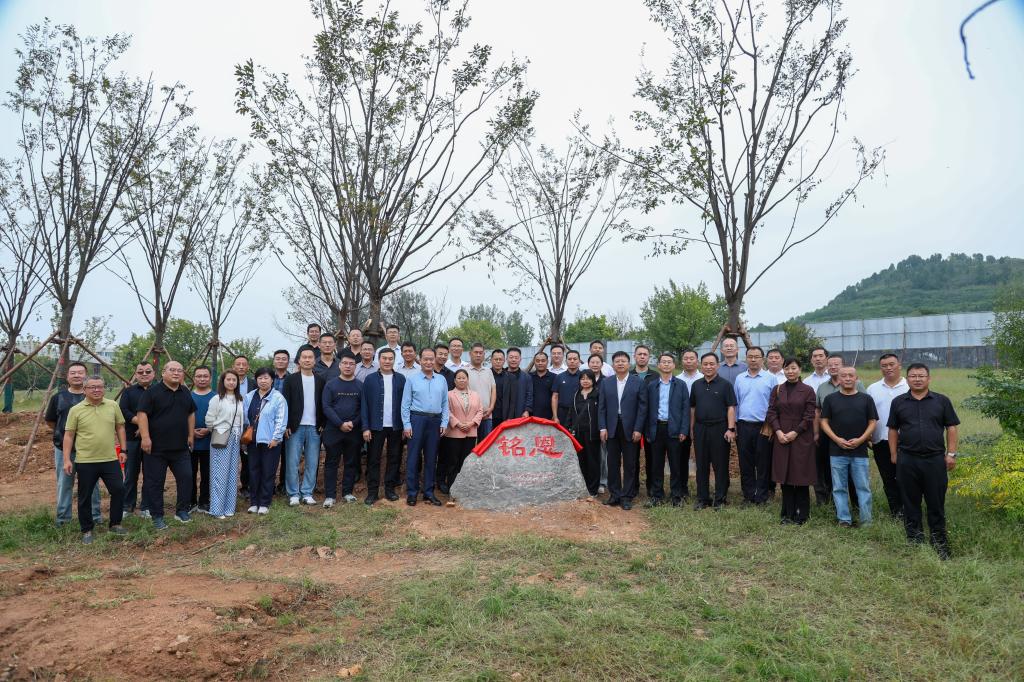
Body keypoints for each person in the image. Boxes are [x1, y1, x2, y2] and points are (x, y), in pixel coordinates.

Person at [887, 363, 959, 559]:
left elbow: (951, 427)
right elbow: (893, 429)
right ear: (907, 379)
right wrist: (894, 454)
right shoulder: (898, 402)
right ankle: (915, 540)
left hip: (935, 460)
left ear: (928, 378)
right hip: (907, 459)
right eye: (913, 376)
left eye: (921, 376)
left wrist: (951, 454)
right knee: (910, 502)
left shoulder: (941, 401)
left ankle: (939, 542)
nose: (917, 379)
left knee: (936, 502)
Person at [62, 375, 127, 544]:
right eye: (92, 387)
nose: (97, 390)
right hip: (85, 461)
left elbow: (120, 427)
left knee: (119, 490)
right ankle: (87, 529)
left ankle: (115, 523)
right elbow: (69, 435)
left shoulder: (112, 405)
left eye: (100, 386)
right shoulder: (76, 410)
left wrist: (123, 449)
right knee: (85, 496)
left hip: (110, 459)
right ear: (85, 390)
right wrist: (67, 459)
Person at [137, 361, 195, 530]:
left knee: (186, 478)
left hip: (180, 448)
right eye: (172, 370)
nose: (176, 373)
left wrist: (191, 435)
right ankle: (157, 516)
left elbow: (191, 413)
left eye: (179, 370)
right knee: (155, 482)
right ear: (163, 373)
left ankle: (182, 511)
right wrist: (145, 437)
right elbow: (142, 415)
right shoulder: (152, 393)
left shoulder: (185, 392)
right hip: (156, 448)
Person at [820, 366, 877, 527]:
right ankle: (844, 519)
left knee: (863, 487)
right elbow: (824, 421)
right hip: (837, 451)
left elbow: (872, 422)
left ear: (856, 378)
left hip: (859, 451)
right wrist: (837, 439)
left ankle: (866, 520)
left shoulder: (866, 399)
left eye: (850, 375)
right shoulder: (831, 399)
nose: (847, 378)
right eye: (843, 376)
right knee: (839, 487)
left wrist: (862, 440)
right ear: (839, 379)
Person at [46, 361, 101, 527]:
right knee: (65, 484)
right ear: (67, 376)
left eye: (80, 372)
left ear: (86, 376)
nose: (77, 375)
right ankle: (63, 519)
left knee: (93, 485)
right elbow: (51, 421)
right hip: (64, 450)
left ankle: (95, 516)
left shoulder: (94, 396)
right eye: (73, 373)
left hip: (90, 450)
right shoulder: (58, 397)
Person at [766, 358, 817, 525]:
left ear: (800, 370)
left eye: (794, 368)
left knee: (800, 475)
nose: (790, 371)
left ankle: (801, 515)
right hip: (781, 436)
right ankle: (787, 514)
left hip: (801, 437)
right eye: (787, 368)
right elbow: (771, 412)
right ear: (784, 370)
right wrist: (779, 431)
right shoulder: (777, 389)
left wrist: (796, 432)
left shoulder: (808, 390)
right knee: (785, 475)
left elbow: (810, 415)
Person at [814, 354, 865, 505]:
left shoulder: (858, 384)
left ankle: (856, 503)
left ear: (843, 366)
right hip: (827, 434)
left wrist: (865, 436)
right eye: (830, 365)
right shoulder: (822, 387)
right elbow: (817, 411)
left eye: (837, 364)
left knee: (853, 471)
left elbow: (866, 409)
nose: (833, 367)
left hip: (852, 434)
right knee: (829, 468)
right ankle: (831, 502)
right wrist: (816, 432)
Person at [640, 353, 690, 507]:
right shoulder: (652, 385)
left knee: (676, 465)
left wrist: (684, 430)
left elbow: (685, 410)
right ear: (659, 366)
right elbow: (646, 410)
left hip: (674, 429)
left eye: (669, 362)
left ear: (674, 365)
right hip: (656, 429)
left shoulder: (681, 385)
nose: (666, 364)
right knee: (656, 465)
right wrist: (647, 431)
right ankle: (657, 495)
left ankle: (676, 496)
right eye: (663, 362)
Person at [401, 347, 449, 506]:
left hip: (435, 422)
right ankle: (412, 493)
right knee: (413, 458)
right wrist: (407, 424)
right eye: (425, 359)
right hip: (417, 420)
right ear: (419, 360)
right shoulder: (412, 380)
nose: (428, 362)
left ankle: (429, 492)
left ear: (435, 360)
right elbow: (405, 404)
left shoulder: (441, 380)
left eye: (431, 359)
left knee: (431, 458)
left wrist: (444, 422)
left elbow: (445, 403)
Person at [598, 351, 646, 511]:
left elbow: (642, 408)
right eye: (617, 361)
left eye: (623, 361)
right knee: (612, 463)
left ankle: (627, 496)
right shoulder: (606, 383)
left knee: (630, 463)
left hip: (631, 428)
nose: (620, 363)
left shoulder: (637, 382)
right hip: (611, 427)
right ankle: (615, 494)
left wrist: (638, 428)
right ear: (612, 364)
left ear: (628, 363)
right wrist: (602, 427)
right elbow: (602, 407)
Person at [689, 353, 737, 509]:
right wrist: (692, 428)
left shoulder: (725, 385)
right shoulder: (696, 385)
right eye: (705, 364)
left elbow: (731, 407)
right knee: (701, 464)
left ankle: (720, 499)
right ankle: (703, 498)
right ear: (700, 366)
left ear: (717, 365)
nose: (708, 367)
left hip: (720, 429)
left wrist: (731, 428)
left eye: (711, 364)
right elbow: (693, 408)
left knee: (720, 464)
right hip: (700, 428)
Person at [360, 348, 406, 504]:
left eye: (390, 358)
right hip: (375, 426)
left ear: (394, 360)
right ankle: (372, 492)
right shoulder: (370, 379)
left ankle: (389, 489)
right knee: (373, 459)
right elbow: (364, 404)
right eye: (384, 358)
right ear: (378, 360)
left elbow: (405, 404)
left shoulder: (401, 379)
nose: (387, 361)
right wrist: (365, 427)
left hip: (396, 426)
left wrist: (405, 425)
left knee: (394, 458)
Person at [866, 353, 908, 518]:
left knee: (906, 478)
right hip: (880, 441)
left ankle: (910, 510)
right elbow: (868, 416)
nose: (888, 368)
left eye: (892, 364)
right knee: (888, 478)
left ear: (899, 365)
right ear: (880, 368)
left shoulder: (909, 386)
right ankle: (896, 512)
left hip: (906, 441)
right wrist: (868, 435)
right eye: (884, 365)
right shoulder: (873, 389)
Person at [282, 347, 325, 506]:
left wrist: (322, 423)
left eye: (310, 357)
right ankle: (293, 493)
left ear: (315, 361)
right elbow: (285, 403)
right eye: (304, 357)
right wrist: (286, 425)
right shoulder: (291, 379)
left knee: (312, 462)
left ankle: (307, 492)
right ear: (299, 360)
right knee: (292, 462)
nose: (307, 360)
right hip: (295, 427)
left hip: (314, 427)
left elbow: (323, 404)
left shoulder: (320, 380)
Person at [733, 346, 776, 505]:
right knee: (746, 463)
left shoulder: (770, 378)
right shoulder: (739, 378)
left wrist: (772, 425)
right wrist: (735, 425)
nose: (753, 359)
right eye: (750, 356)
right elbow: (735, 403)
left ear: (762, 359)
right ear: (746, 359)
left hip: (764, 426)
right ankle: (749, 495)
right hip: (744, 426)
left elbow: (774, 404)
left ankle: (762, 496)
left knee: (763, 463)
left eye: (756, 357)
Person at [242, 367, 287, 515]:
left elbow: (281, 419)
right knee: (253, 471)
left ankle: (264, 502)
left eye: (266, 378)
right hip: (253, 441)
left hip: (270, 441)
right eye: (260, 378)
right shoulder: (249, 396)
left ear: (272, 380)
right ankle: (254, 502)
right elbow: (245, 418)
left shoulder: (278, 397)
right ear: (256, 380)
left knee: (268, 472)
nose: (263, 381)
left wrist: (276, 438)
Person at [321, 354, 362, 506]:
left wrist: (353, 422)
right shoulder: (331, 385)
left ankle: (347, 492)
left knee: (351, 462)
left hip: (354, 430)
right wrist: (340, 423)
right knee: (331, 463)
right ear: (339, 365)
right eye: (345, 363)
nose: (348, 366)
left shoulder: (360, 386)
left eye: (351, 363)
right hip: (333, 430)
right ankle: (330, 496)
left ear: (355, 366)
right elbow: (326, 406)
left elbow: (363, 409)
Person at [206, 370, 244, 519]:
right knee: (219, 474)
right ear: (223, 381)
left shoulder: (239, 399)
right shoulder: (217, 399)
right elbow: (209, 420)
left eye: (234, 380)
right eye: (228, 379)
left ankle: (229, 507)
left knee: (232, 473)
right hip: (221, 438)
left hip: (235, 439)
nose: (231, 382)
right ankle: (216, 509)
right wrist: (219, 430)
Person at [438, 369, 482, 494]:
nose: (462, 380)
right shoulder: (449, 394)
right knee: (453, 461)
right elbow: (446, 411)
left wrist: (472, 423)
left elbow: (480, 410)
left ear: (468, 380)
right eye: (459, 378)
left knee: (465, 461)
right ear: (454, 380)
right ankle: (452, 488)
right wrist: (457, 424)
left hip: (470, 432)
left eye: (464, 378)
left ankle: (464, 489)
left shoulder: (475, 394)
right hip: (454, 433)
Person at [120, 362, 153, 517]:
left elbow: (161, 412)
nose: (144, 374)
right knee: (131, 473)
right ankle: (127, 505)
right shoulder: (128, 392)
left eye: (147, 371)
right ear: (136, 374)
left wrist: (145, 428)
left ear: (153, 374)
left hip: (153, 439)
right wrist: (141, 423)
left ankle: (146, 505)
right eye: (140, 372)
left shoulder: (159, 391)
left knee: (150, 473)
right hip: (131, 439)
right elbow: (124, 411)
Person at [629, 344, 659, 498]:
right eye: (639, 354)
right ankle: (633, 487)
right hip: (632, 422)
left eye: (645, 354)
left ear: (649, 357)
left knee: (652, 456)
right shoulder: (628, 375)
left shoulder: (656, 376)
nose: (642, 356)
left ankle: (651, 487)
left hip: (651, 423)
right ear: (634, 356)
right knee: (632, 457)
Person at [568, 369, 601, 496]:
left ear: (593, 380)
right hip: (578, 433)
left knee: (593, 461)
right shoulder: (576, 394)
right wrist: (568, 428)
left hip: (593, 433)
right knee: (581, 461)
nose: (585, 381)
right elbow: (571, 413)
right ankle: (583, 486)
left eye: (588, 378)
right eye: (582, 378)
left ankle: (593, 489)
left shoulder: (597, 394)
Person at [190, 366, 214, 514]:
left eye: (205, 376)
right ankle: (191, 501)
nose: (202, 379)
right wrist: (190, 431)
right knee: (189, 473)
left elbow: (221, 418)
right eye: (199, 376)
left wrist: (208, 429)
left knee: (207, 474)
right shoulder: (187, 396)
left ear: (210, 378)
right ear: (194, 378)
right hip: (191, 441)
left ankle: (204, 502)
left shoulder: (216, 396)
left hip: (210, 442)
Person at [233, 354, 255, 496]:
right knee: (231, 457)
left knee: (247, 458)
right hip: (232, 425)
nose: (241, 367)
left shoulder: (254, 383)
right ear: (233, 366)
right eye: (238, 364)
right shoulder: (227, 381)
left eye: (244, 364)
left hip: (248, 425)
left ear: (248, 367)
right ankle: (229, 487)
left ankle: (246, 486)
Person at [466, 343, 496, 439]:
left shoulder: (488, 371)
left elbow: (493, 390)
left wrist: (491, 408)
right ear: (470, 354)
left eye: (481, 353)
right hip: (470, 416)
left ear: (484, 355)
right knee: (470, 447)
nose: (478, 355)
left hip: (487, 415)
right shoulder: (464, 370)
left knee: (485, 445)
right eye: (476, 352)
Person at [498, 348, 533, 425]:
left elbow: (529, 395)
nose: (513, 360)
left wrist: (527, 410)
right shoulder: (501, 375)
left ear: (520, 359)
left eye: (516, 358)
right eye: (511, 357)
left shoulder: (526, 377)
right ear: (506, 359)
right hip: (502, 414)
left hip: (520, 413)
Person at [552, 350, 582, 427]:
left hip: (579, 412)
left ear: (579, 361)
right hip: (562, 413)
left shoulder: (584, 377)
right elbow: (555, 397)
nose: (572, 361)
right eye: (569, 359)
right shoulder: (559, 377)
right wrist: (555, 416)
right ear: (566, 361)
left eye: (575, 359)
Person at [530, 351, 555, 420]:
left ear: (547, 361)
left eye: (543, 361)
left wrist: (555, 415)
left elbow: (556, 397)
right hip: (531, 415)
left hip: (549, 415)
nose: (540, 363)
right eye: (537, 361)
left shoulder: (554, 377)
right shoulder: (529, 377)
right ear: (534, 362)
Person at [490, 349, 508, 426]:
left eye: (500, 359)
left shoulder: (510, 377)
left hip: (505, 415)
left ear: (504, 361)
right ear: (491, 360)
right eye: (495, 359)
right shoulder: (486, 374)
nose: (498, 361)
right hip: (489, 415)